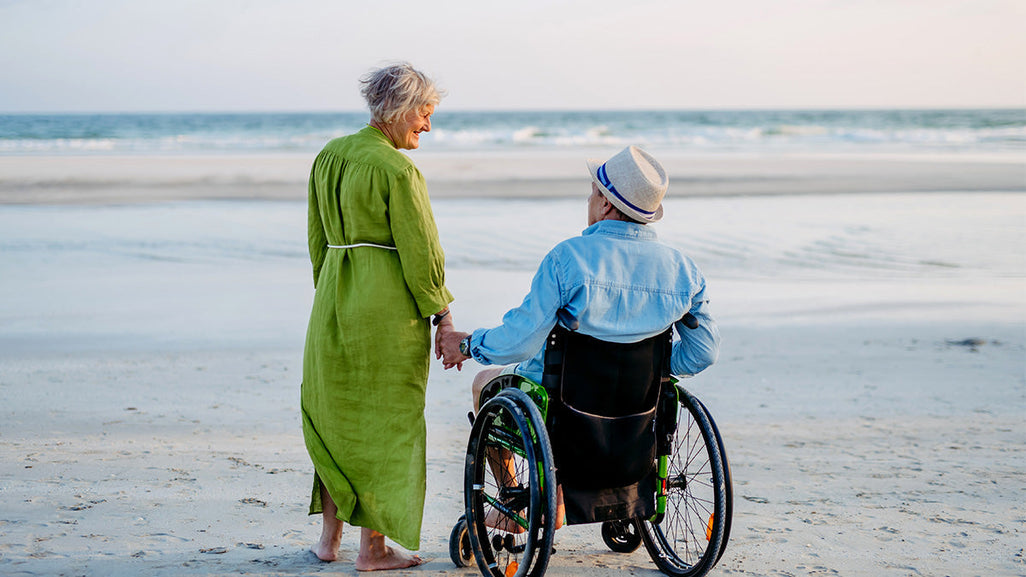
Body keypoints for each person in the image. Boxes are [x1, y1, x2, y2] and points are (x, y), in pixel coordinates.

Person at [438, 146, 720, 509]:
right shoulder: (684, 271)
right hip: (637, 419)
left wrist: (468, 345)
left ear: (604, 204)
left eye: (592, 191)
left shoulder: (567, 259)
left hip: (567, 414)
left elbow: (520, 342)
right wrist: (652, 367)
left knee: (483, 384)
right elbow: (703, 352)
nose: (589, 199)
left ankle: (513, 501)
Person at [302, 62, 455, 571]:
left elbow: (316, 242)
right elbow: (421, 254)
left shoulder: (328, 157)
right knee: (388, 422)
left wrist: (334, 292)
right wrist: (444, 318)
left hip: (332, 302)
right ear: (399, 110)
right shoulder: (398, 170)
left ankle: (329, 542)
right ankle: (373, 549)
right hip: (387, 312)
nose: (427, 126)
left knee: (334, 419)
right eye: (424, 114)